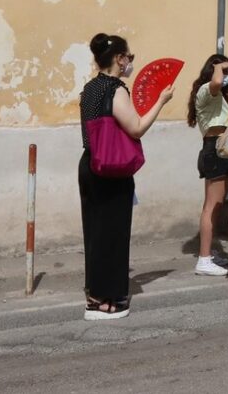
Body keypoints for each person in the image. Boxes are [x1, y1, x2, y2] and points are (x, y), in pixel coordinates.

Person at [79, 33, 173, 320]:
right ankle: (110, 299)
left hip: (90, 162)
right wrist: (161, 100)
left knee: (95, 232)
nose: (131, 62)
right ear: (119, 58)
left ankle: (94, 294)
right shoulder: (116, 89)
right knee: (115, 232)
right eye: (129, 57)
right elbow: (136, 127)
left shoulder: (89, 88)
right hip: (112, 166)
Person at [186, 54, 228, 277]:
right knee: (212, 205)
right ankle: (204, 259)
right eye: (224, 71)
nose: (226, 76)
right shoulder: (207, 88)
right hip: (215, 149)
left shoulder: (213, 95)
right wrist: (221, 67)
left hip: (219, 148)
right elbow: (216, 82)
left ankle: (209, 252)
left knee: (216, 205)